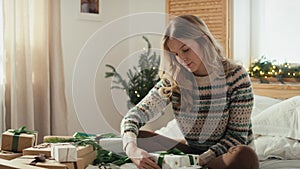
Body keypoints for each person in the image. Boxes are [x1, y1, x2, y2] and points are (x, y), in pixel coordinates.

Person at [120, 15, 259, 169]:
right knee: (138, 137)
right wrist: (132, 149)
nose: (182, 59)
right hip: (193, 153)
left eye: (185, 50)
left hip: (225, 156)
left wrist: (199, 161)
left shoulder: (236, 76)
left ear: (205, 40)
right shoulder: (174, 81)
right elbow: (133, 116)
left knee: (244, 155)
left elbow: (236, 137)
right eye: (176, 54)